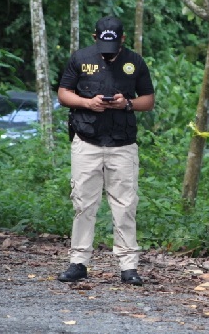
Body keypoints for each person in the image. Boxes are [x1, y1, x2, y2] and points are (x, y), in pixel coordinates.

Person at [56, 16, 155, 286]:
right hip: (86, 141)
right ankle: (78, 263)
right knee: (83, 203)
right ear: (94, 37)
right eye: (103, 45)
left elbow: (149, 100)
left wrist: (127, 103)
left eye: (114, 45)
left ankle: (128, 266)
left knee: (125, 206)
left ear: (122, 39)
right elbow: (63, 93)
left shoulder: (135, 62)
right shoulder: (80, 58)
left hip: (122, 144)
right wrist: (88, 103)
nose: (107, 52)